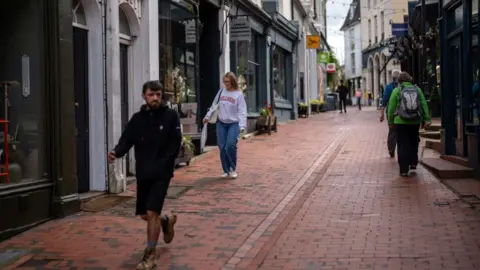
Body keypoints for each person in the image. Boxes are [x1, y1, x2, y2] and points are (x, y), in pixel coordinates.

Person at [108, 80, 181, 270]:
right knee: (145, 215)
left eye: (158, 94)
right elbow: (127, 139)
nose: (155, 98)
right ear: (144, 96)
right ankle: (167, 220)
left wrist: (165, 164)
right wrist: (116, 152)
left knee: (151, 212)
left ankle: (150, 255)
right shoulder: (137, 119)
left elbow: (175, 144)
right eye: (151, 94)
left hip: (161, 173)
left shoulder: (170, 116)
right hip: (143, 172)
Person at [203, 72, 247, 179]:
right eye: (224, 81)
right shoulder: (221, 92)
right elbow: (214, 105)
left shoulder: (238, 94)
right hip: (221, 123)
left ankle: (233, 168)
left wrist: (242, 126)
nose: (226, 84)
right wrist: (207, 117)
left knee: (230, 146)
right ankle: (226, 170)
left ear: (233, 81)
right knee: (222, 147)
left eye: (228, 81)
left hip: (234, 124)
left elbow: (242, 111)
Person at [387, 72, 431, 177]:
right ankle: (413, 162)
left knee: (402, 144)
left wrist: (391, 122)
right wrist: (426, 119)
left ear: (400, 81)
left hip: (400, 121)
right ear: (410, 80)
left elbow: (391, 107)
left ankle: (403, 169)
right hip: (415, 121)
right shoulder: (417, 89)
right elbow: (423, 104)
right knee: (413, 141)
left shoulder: (397, 90)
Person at [380, 69, 401, 158]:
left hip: (391, 113)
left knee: (392, 131)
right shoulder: (402, 87)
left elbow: (384, 101)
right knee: (401, 132)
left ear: (392, 77)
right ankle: (401, 151)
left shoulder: (388, 87)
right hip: (402, 112)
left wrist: (382, 115)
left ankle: (391, 149)